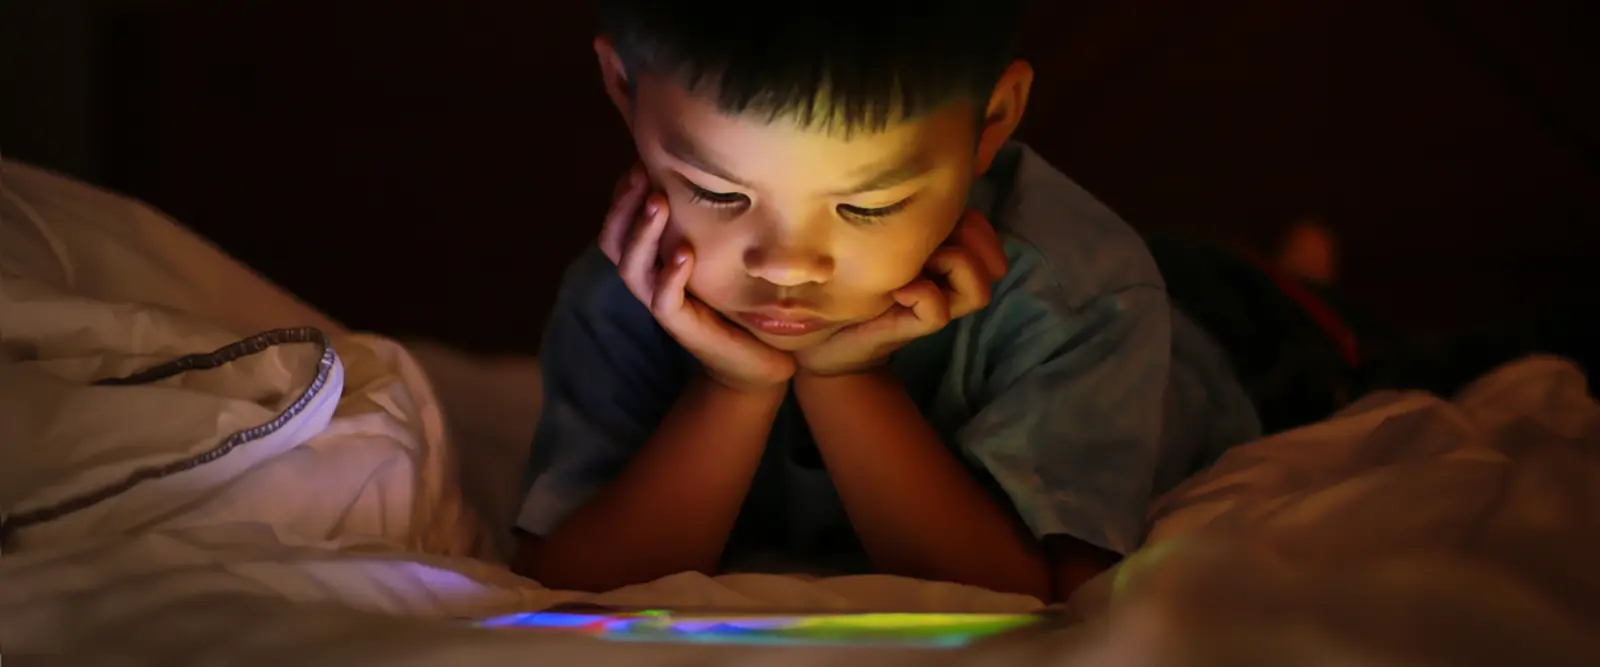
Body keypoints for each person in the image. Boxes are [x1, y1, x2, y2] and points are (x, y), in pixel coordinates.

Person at [509, 0, 1262, 602]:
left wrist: (846, 380)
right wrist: (735, 389)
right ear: (622, 88)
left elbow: (1041, 595)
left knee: (1262, 304)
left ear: (992, 122)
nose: (787, 267)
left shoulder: (1085, 295)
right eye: (715, 190)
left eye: (868, 206)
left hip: (1236, 342)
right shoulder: (633, 282)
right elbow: (565, 577)